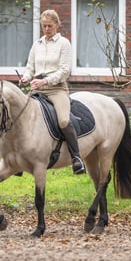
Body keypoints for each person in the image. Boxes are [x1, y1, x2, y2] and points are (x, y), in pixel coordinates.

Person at [20, 9, 86, 175]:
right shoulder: (37, 44)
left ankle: (76, 158)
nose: (47, 29)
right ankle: (17, 159)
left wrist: (45, 80)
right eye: (44, 26)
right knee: (18, 116)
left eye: (49, 26)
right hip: (37, 90)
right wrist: (25, 78)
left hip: (57, 90)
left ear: (57, 25)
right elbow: (30, 68)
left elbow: (65, 71)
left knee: (64, 121)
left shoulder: (64, 44)